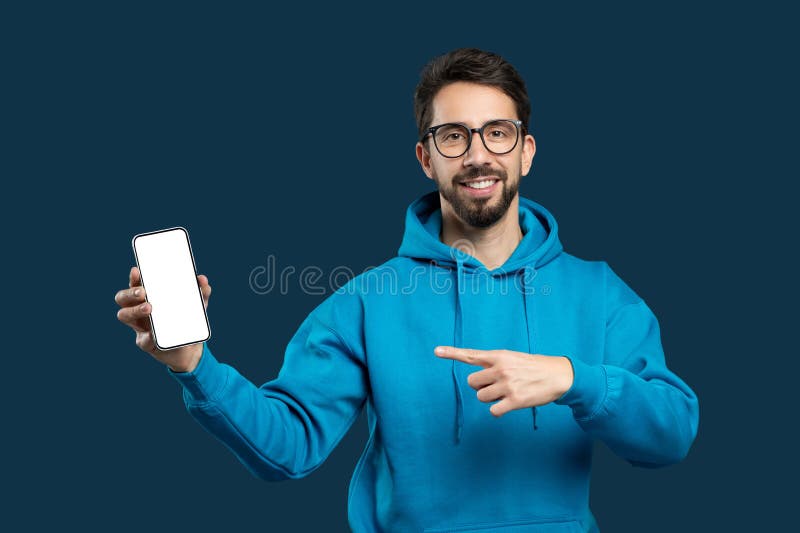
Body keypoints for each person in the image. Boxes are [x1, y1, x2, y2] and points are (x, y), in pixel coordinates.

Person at [115, 47, 699, 532]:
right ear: (426, 158)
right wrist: (194, 364)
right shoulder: (368, 301)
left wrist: (573, 379)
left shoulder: (600, 292)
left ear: (526, 150)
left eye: (497, 133)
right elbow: (287, 448)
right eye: (453, 137)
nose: (477, 156)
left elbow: (672, 435)